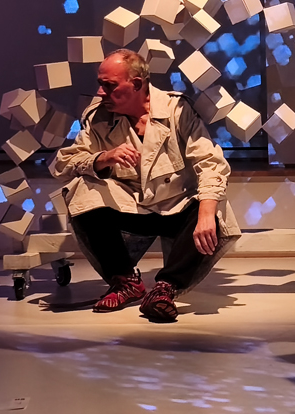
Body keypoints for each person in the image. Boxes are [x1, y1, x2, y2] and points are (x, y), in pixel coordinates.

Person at [50, 49, 240, 322]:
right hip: (132, 208)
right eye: (100, 84)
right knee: (82, 190)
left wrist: (207, 213)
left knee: (214, 206)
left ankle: (166, 288)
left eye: (109, 85)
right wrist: (104, 158)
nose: (101, 92)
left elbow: (210, 162)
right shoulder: (98, 117)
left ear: (137, 84)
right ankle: (125, 281)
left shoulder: (176, 110)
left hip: (177, 206)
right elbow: (63, 165)